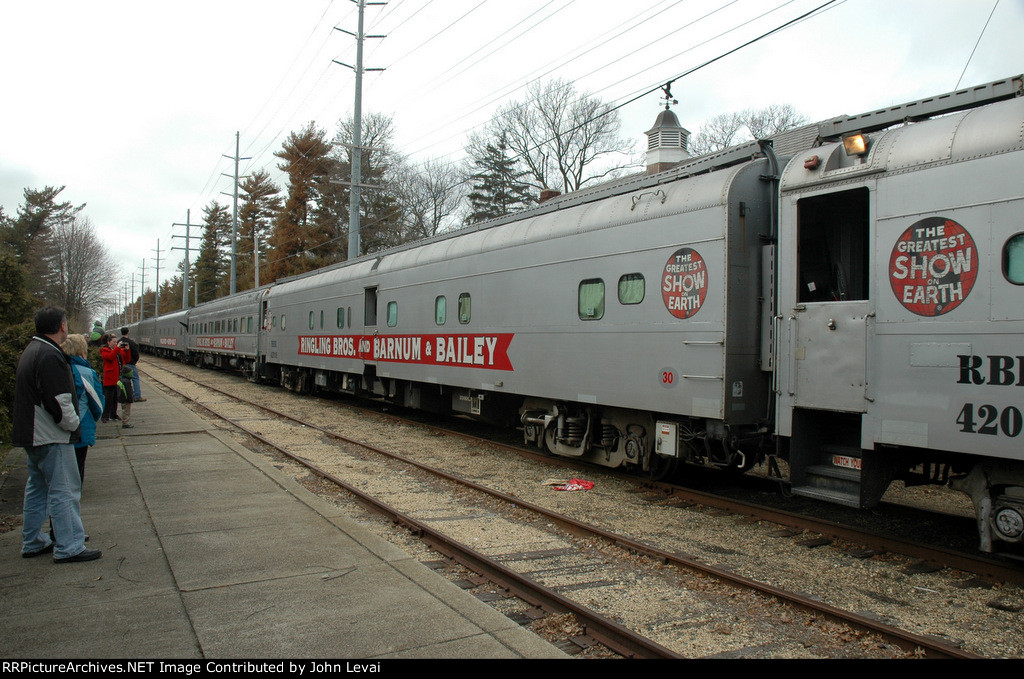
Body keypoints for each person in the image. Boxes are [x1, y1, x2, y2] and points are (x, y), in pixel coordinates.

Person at [13, 306, 101, 563]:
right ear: (62, 326)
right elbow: (60, 401)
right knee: (64, 491)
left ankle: (33, 540)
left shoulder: (32, 350)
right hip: (50, 435)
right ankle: (69, 546)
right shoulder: (50, 355)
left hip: (33, 433)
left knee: (37, 489)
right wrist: (74, 425)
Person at [60, 333, 104, 482]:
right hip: (81, 427)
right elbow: (98, 404)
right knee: (77, 468)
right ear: (82, 350)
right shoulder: (87, 373)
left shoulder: (55, 369)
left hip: (57, 429)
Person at [99, 333, 130, 423]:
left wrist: (127, 350)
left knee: (115, 398)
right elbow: (110, 357)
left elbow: (126, 359)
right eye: (114, 342)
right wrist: (117, 348)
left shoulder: (117, 350)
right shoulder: (104, 350)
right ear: (108, 342)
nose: (115, 343)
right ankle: (105, 416)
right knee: (108, 398)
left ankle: (113, 414)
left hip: (117, 377)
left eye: (116, 342)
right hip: (110, 378)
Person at [120, 326, 145, 402]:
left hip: (121, 364)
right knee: (135, 379)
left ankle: (123, 395)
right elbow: (136, 353)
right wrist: (134, 361)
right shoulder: (131, 342)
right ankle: (137, 396)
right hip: (130, 363)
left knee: (122, 379)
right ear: (128, 332)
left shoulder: (119, 342)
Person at [117, 364, 135, 429]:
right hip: (126, 400)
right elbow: (128, 392)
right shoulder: (126, 382)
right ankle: (125, 423)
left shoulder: (121, 380)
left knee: (124, 410)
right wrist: (131, 399)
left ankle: (125, 422)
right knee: (126, 412)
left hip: (122, 399)